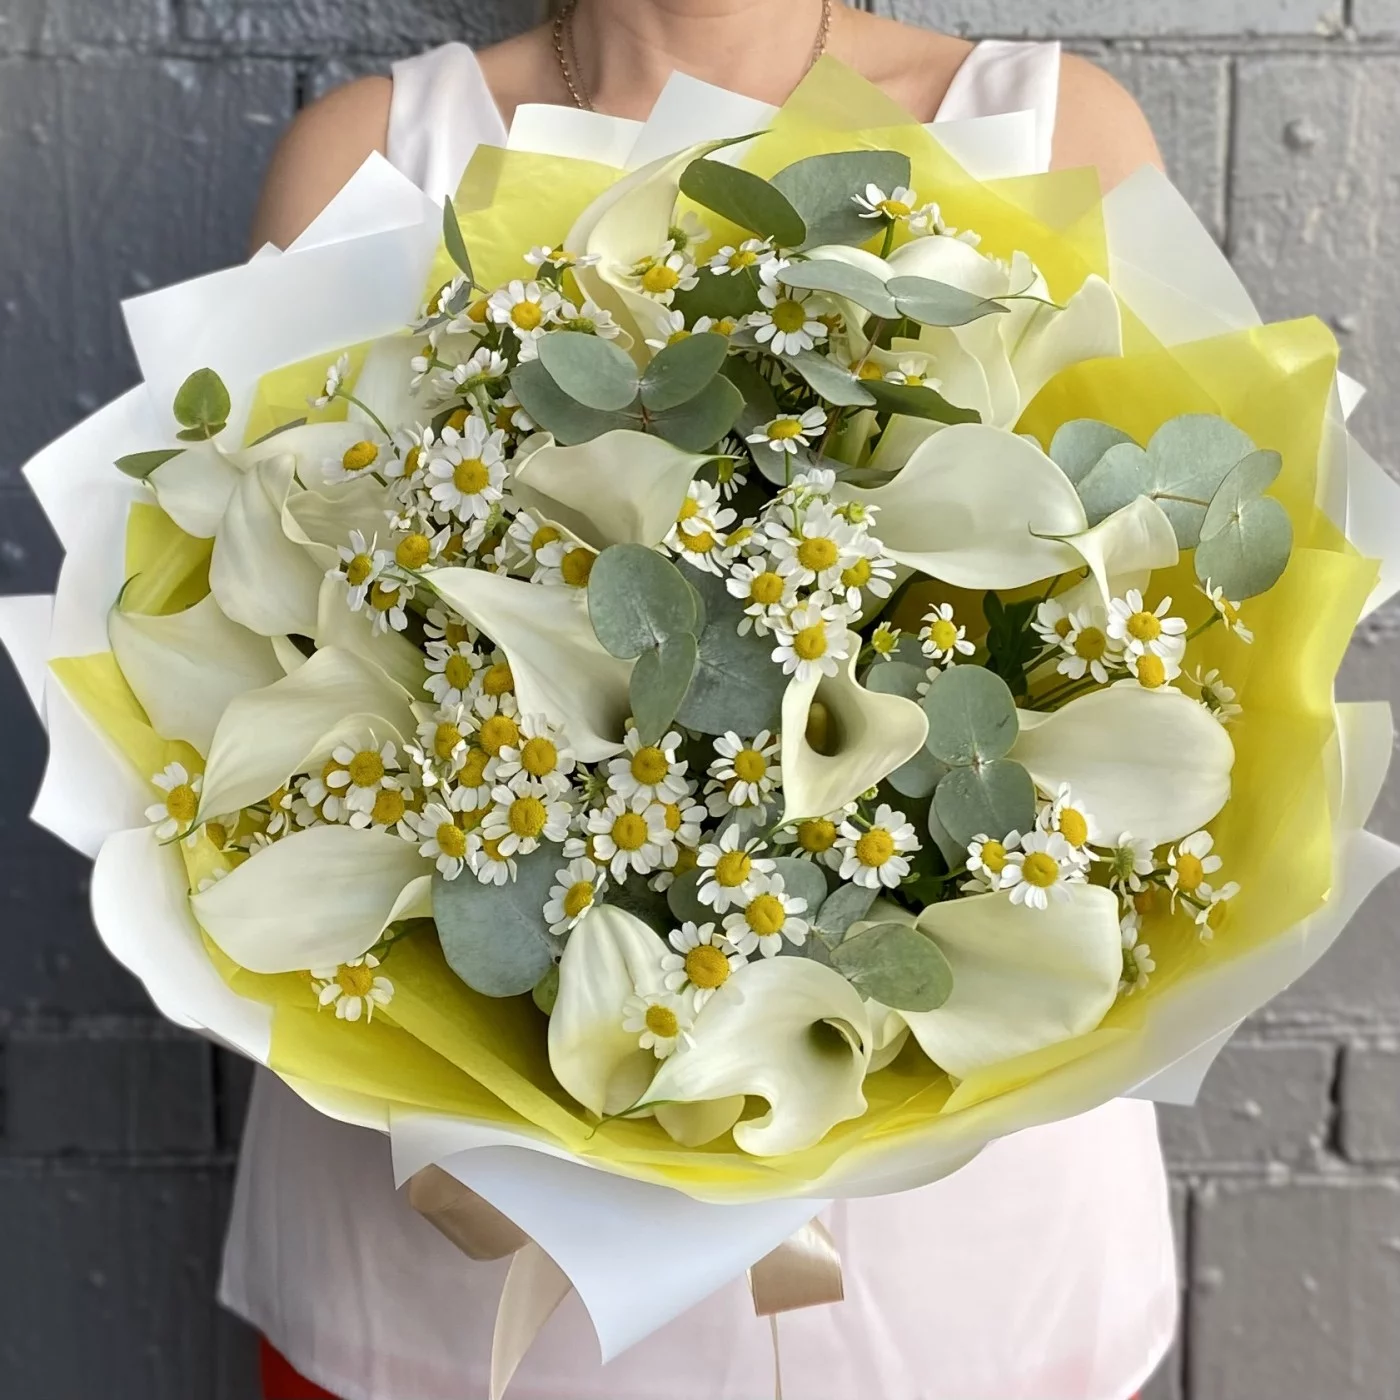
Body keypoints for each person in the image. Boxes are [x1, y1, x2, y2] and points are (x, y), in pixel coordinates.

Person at [232, 4, 1175, 1398]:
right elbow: (266, 652)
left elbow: (1150, 636)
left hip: (957, 1276)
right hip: (463, 1264)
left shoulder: (1053, 135)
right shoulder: (368, 164)